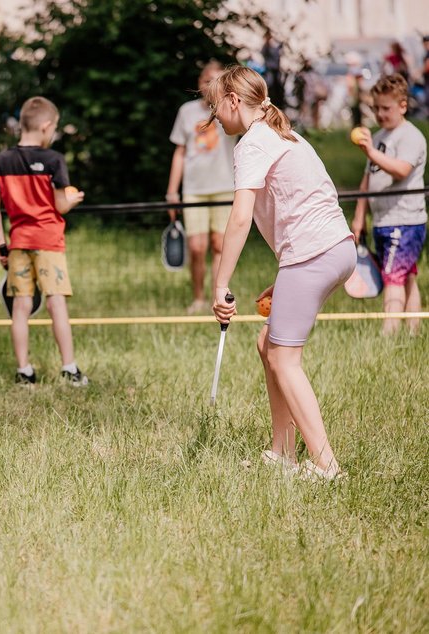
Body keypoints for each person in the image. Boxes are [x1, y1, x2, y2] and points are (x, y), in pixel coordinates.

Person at [206, 66, 355, 481]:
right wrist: (289, 273)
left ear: (234, 101)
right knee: (267, 342)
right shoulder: (284, 133)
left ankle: (327, 466)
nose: (215, 114)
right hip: (337, 249)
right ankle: (283, 451)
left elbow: (240, 217)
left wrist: (220, 285)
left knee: (283, 358)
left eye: (217, 104)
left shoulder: (252, 143)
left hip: (314, 254)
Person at [0, 96, 88, 387]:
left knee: (20, 307)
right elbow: (59, 206)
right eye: (54, 128)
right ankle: (70, 370)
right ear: (45, 126)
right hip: (49, 242)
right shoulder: (54, 160)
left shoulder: (2, 161)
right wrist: (72, 199)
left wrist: (1, 242)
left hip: (18, 242)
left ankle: (24, 372)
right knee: (56, 305)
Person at [350, 74, 427, 335]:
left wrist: (371, 151)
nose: (380, 114)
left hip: (405, 220)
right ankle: (414, 330)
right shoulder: (379, 136)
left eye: (386, 108)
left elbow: (401, 171)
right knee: (406, 277)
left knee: (392, 277)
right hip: (384, 221)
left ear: (402, 106)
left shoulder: (410, 137)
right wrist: (360, 217)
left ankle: (389, 333)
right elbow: (367, 179)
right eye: (376, 108)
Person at [166, 61, 237, 313]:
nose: (211, 86)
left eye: (218, 81)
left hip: (225, 186)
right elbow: (180, 152)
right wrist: (172, 190)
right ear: (199, 84)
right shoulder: (187, 112)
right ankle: (197, 297)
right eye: (207, 81)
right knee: (197, 247)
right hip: (194, 189)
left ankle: (217, 297)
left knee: (220, 245)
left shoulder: (232, 108)